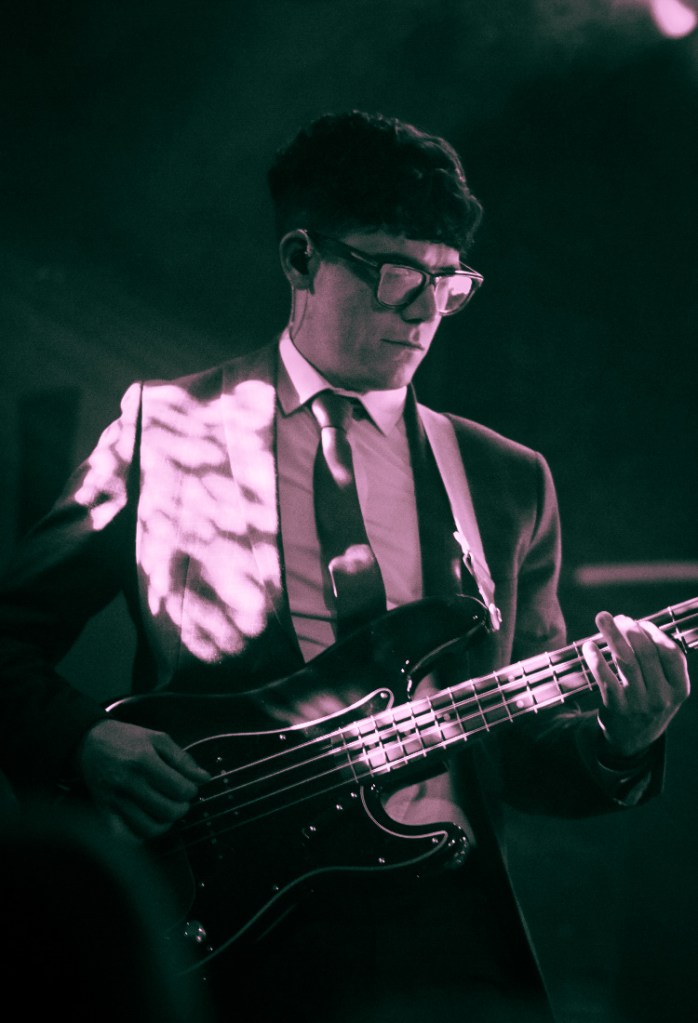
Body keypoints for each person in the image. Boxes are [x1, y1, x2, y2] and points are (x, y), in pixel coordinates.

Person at [0, 110, 690, 1022]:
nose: (426, 312)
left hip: (445, 941)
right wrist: (85, 739)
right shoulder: (163, 430)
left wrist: (619, 739)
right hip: (222, 933)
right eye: (398, 276)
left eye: (448, 283)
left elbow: (523, 753)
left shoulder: (507, 478)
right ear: (301, 259)